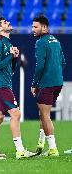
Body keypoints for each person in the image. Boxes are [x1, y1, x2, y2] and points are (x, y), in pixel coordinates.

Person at [0, 17, 35, 160]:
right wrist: (9, 56)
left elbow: (9, 70)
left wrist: (13, 59)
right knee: (16, 114)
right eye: (4, 22)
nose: (8, 23)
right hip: (0, 85)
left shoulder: (7, 43)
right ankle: (20, 150)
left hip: (4, 83)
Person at [31, 15, 65, 156]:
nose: (33, 29)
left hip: (47, 83)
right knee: (44, 114)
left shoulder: (41, 43)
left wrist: (35, 83)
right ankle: (40, 143)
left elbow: (40, 66)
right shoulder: (56, 41)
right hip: (58, 82)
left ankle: (53, 149)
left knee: (45, 116)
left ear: (44, 27)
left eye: (36, 26)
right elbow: (63, 62)